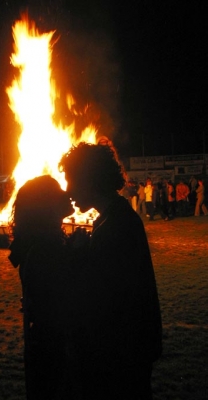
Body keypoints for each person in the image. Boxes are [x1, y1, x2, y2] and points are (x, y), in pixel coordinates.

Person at [59, 142, 162, 400]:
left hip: (121, 353)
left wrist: (78, 256)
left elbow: (102, 297)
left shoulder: (114, 225)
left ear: (89, 180)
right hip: (130, 347)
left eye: (71, 180)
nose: (68, 189)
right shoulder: (114, 217)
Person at [8, 175, 83, 400]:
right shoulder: (45, 250)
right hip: (54, 349)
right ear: (46, 205)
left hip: (45, 347)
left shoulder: (45, 245)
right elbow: (65, 300)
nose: (67, 193)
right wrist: (79, 256)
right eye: (58, 190)